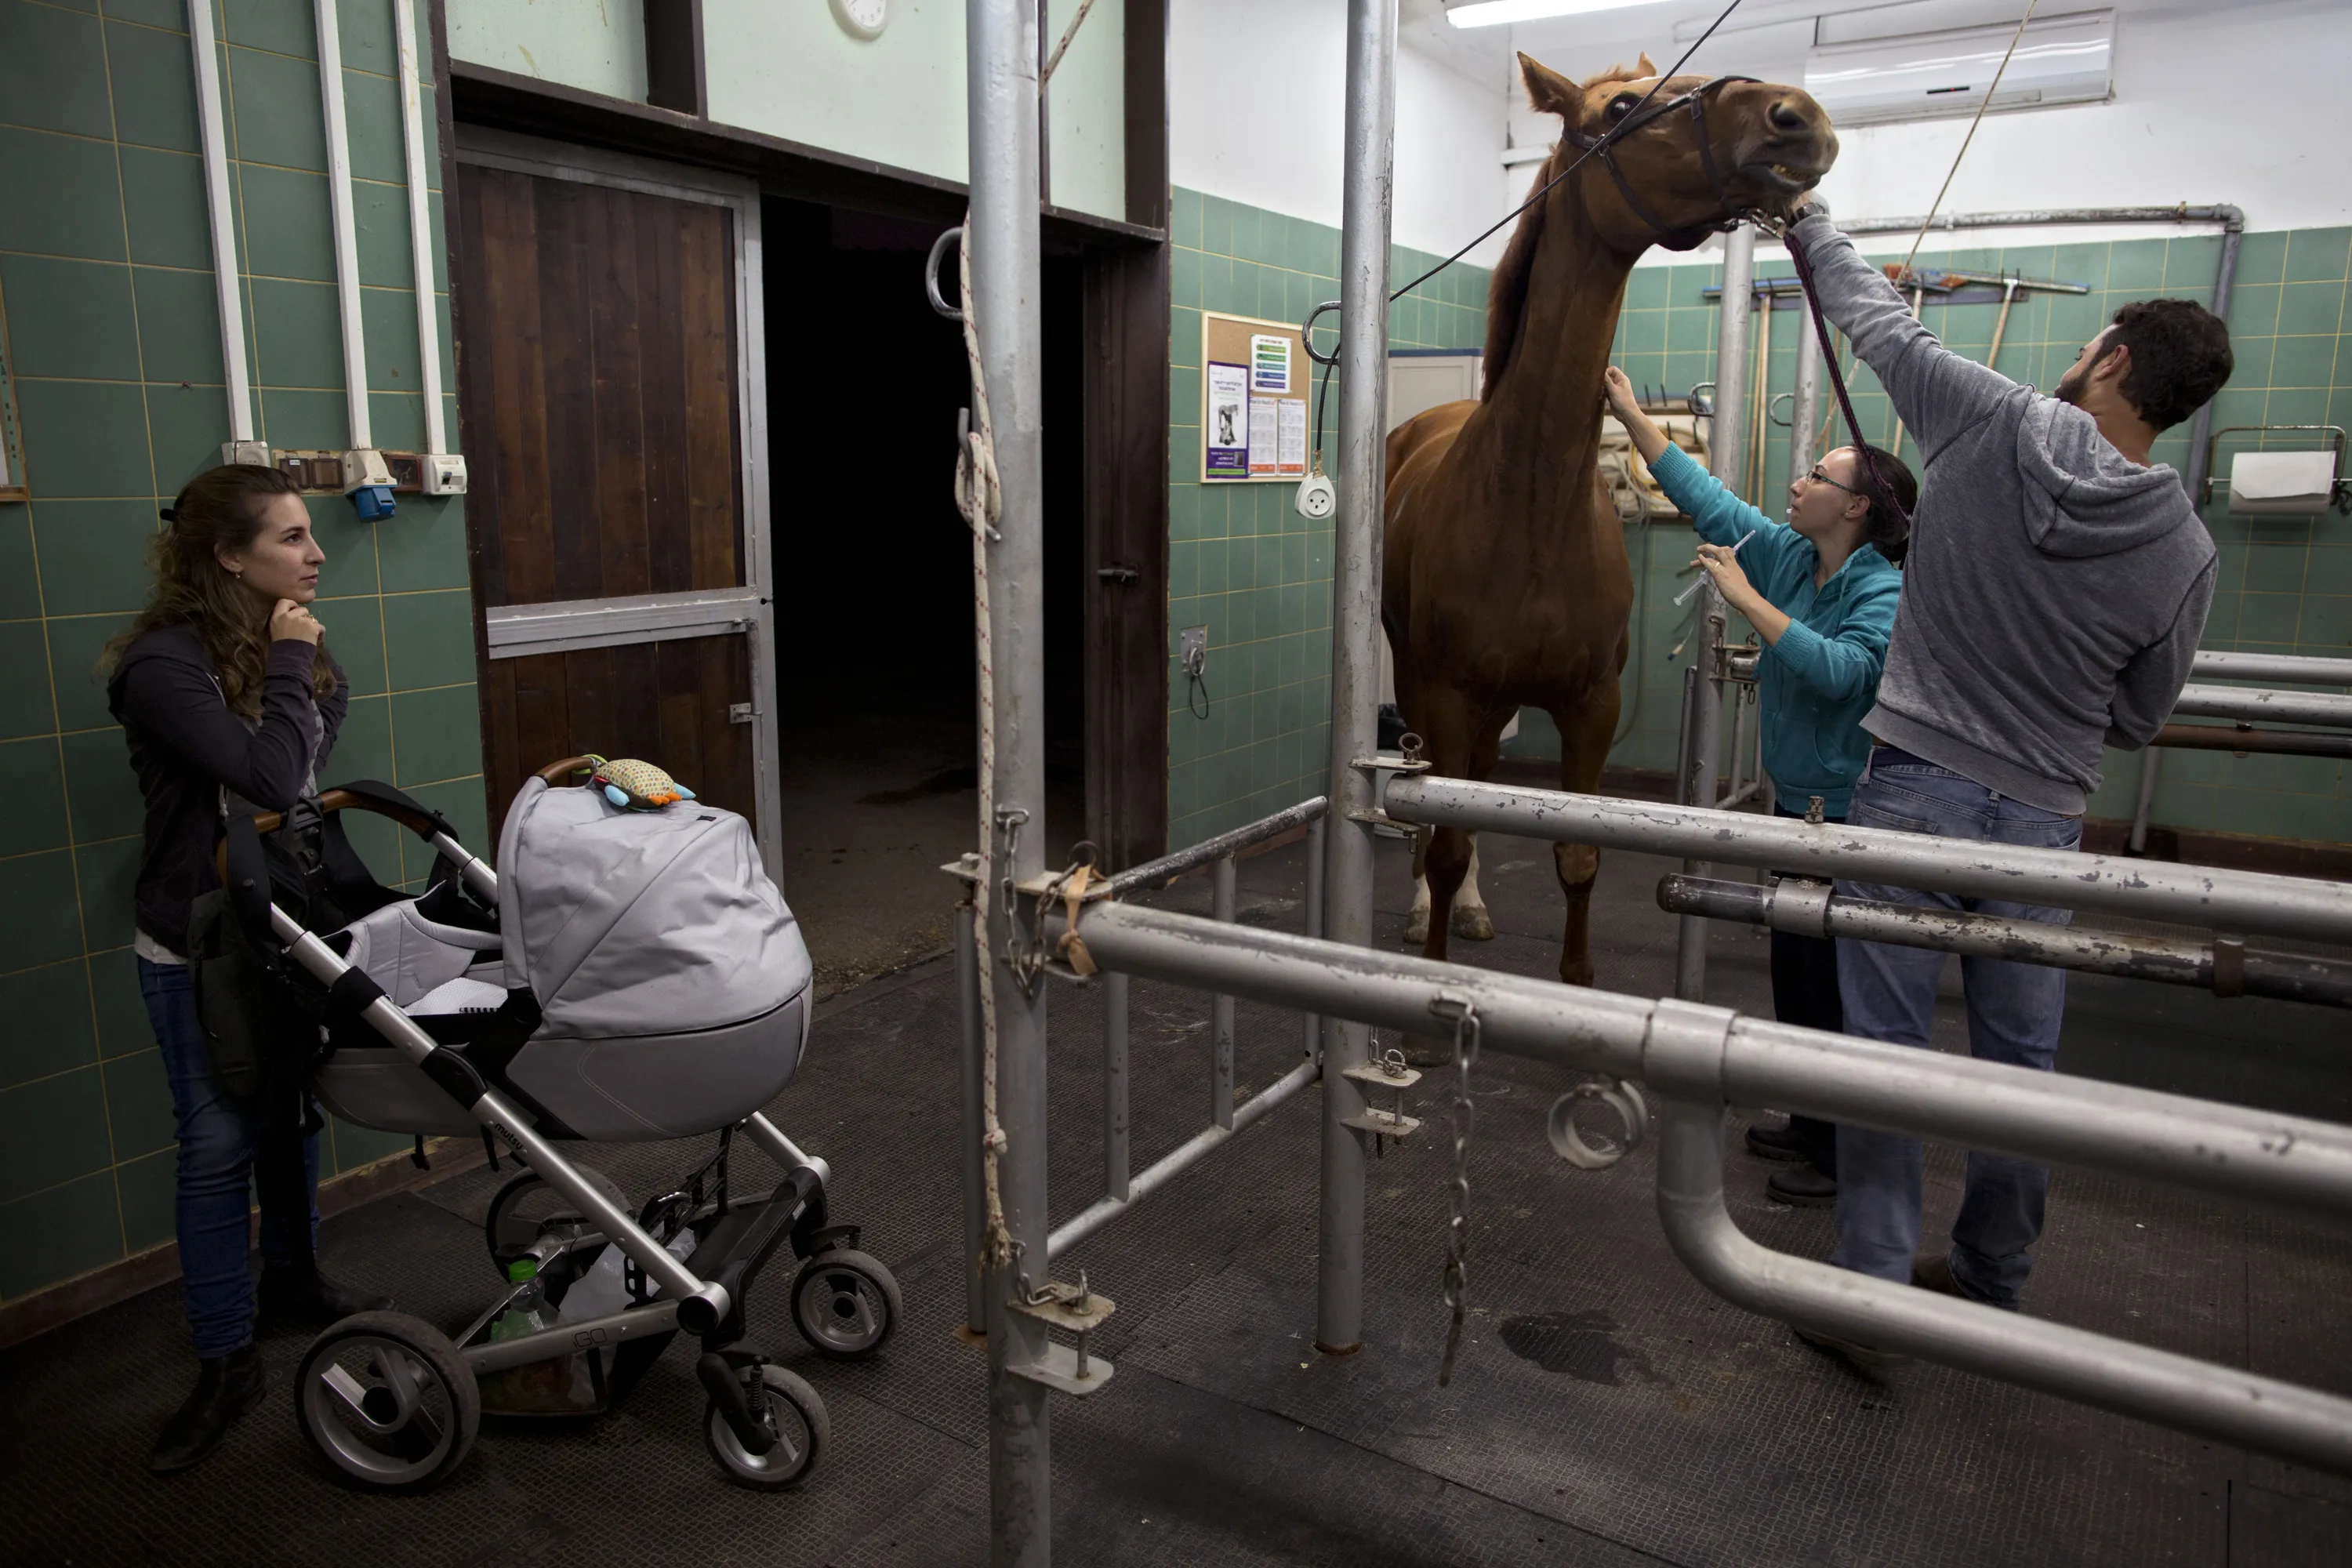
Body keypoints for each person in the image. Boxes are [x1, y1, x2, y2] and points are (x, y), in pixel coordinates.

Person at [1786, 199, 2232, 1362]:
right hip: (2042, 816)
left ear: (2116, 358)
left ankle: (1873, 1299)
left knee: (1883, 1053)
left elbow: (1873, 321)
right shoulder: (2186, 549)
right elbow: (2139, 717)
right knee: (2020, 1067)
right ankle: (1991, 1278)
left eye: (2094, 345)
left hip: (1911, 790)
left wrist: (1808, 218)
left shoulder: (1987, 420)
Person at [106, 465, 393, 1473]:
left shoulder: (285, 646)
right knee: (218, 1145)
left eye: (311, 536)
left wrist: (291, 675)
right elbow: (273, 772)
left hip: (282, 924)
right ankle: (226, 1358)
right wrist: (286, 667)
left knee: (290, 1117)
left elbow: (299, 767)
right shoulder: (163, 664)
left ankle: (294, 1282)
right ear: (229, 556)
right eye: (291, 539)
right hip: (198, 944)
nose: (316, 556)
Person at [1603, 365, 1913, 1208]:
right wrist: (1632, 414)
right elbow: (1707, 497)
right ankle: (1815, 1118)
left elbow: (1848, 674)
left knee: (1840, 985)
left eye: (1819, 474)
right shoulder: (1789, 552)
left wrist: (1746, 601)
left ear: (1856, 507)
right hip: (1798, 805)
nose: (1798, 479)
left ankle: (1846, 1150)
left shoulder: (1878, 584)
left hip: (1850, 814)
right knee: (1796, 972)